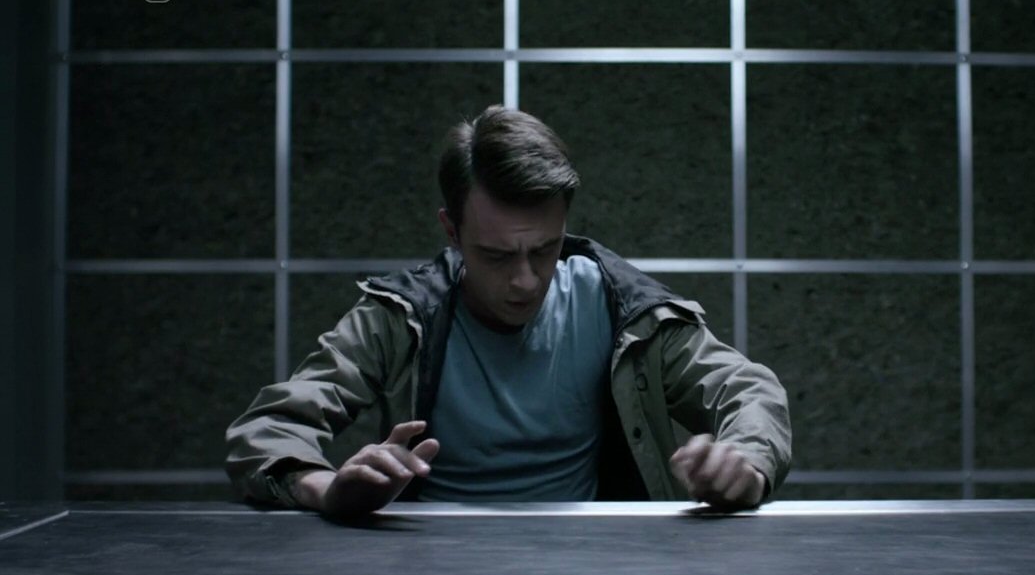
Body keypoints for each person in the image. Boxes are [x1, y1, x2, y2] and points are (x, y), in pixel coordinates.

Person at [225, 105, 791, 516]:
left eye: (544, 250)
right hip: (427, 570)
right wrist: (328, 491)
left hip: (594, 571)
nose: (524, 280)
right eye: (496, 256)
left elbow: (748, 390)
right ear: (452, 231)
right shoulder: (401, 317)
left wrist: (745, 463)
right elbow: (267, 429)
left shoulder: (622, 309)